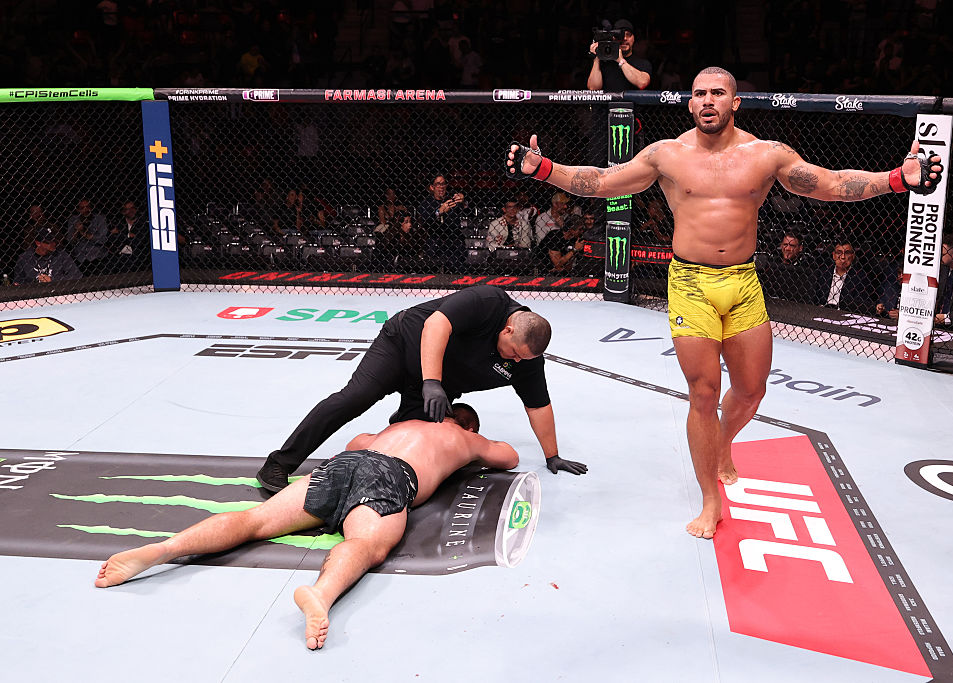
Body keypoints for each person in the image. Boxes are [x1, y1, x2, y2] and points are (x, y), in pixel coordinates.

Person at [504, 66, 942, 538]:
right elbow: (601, 182)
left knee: (752, 390)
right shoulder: (666, 154)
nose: (707, 100)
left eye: (717, 93)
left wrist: (897, 179)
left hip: (743, 281)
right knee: (704, 393)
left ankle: (722, 443)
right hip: (690, 282)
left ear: (735, 102)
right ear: (690, 103)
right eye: (699, 93)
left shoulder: (766, 154)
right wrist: (543, 168)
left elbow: (831, 184)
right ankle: (710, 500)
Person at [96, 404, 519, 650]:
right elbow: (509, 457)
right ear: (466, 424)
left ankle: (165, 548)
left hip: (346, 463)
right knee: (367, 544)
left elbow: (356, 443)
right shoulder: (462, 437)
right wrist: (471, 447)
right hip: (391, 476)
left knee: (256, 520)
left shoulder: (394, 427)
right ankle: (320, 594)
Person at [255, 284, 586, 493]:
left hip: (436, 383)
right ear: (508, 329)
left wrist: (552, 455)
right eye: (513, 352)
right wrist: (432, 382)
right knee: (355, 397)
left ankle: (402, 418)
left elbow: (538, 405)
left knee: (419, 440)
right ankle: (279, 463)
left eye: (522, 358)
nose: (515, 360)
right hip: (402, 347)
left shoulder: (526, 361)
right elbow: (436, 324)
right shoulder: (488, 301)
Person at [418, 173, 467, 273]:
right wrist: (439, 212)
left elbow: (468, 211)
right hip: (435, 242)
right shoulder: (426, 203)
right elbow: (426, 222)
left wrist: (463, 200)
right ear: (432, 187)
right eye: (438, 184)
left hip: (453, 243)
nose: (441, 187)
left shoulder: (452, 200)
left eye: (443, 184)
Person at [812, 238, 877, 314]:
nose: (843, 257)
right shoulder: (823, 273)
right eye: (839, 253)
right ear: (834, 255)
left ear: (853, 256)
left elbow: (861, 305)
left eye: (847, 253)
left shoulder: (861, 277)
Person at [586, 19, 652, 91]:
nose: (624, 38)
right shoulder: (603, 63)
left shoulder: (643, 63)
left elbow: (642, 83)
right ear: (613, 38)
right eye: (620, 36)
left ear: (633, 38)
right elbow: (593, 89)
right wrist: (597, 58)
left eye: (628, 35)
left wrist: (621, 61)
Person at [13, 227, 82, 285]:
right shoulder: (25, 258)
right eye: (49, 242)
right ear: (38, 243)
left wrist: (53, 279)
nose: (53, 244)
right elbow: (17, 282)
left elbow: (77, 275)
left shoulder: (61, 254)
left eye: (54, 241)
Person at [759, 229, 811, 302]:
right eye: (785, 245)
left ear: (800, 248)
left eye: (792, 246)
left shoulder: (806, 267)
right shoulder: (772, 263)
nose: (787, 249)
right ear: (781, 245)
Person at [66, 198, 109, 274]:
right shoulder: (73, 220)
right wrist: (76, 231)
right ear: (78, 210)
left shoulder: (99, 218)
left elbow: (103, 239)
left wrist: (83, 232)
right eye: (82, 208)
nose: (86, 210)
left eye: (88, 207)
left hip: (98, 256)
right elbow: (70, 240)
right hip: (80, 257)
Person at [107, 200, 150, 271]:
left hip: (138, 257)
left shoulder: (144, 222)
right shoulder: (118, 222)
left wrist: (119, 234)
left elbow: (138, 242)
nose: (131, 211)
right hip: (118, 256)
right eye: (127, 209)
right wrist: (127, 236)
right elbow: (111, 239)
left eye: (133, 208)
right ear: (123, 212)